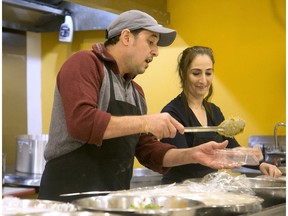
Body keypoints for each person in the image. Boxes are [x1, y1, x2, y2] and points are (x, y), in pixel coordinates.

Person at [38, 11, 241, 202]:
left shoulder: (136, 92)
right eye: (150, 42)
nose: (156, 52)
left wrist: (193, 154)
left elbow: (146, 149)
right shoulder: (85, 63)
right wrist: (146, 122)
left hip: (112, 200)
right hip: (68, 197)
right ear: (126, 37)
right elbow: (82, 122)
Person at [160, 46, 282, 184]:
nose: (203, 80)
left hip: (207, 190)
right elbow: (179, 158)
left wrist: (259, 163)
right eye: (196, 73)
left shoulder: (214, 111)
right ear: (183, 74)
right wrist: (229, 155)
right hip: (179, 190)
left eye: (208, 73)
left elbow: (231, 146)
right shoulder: (171, 113)